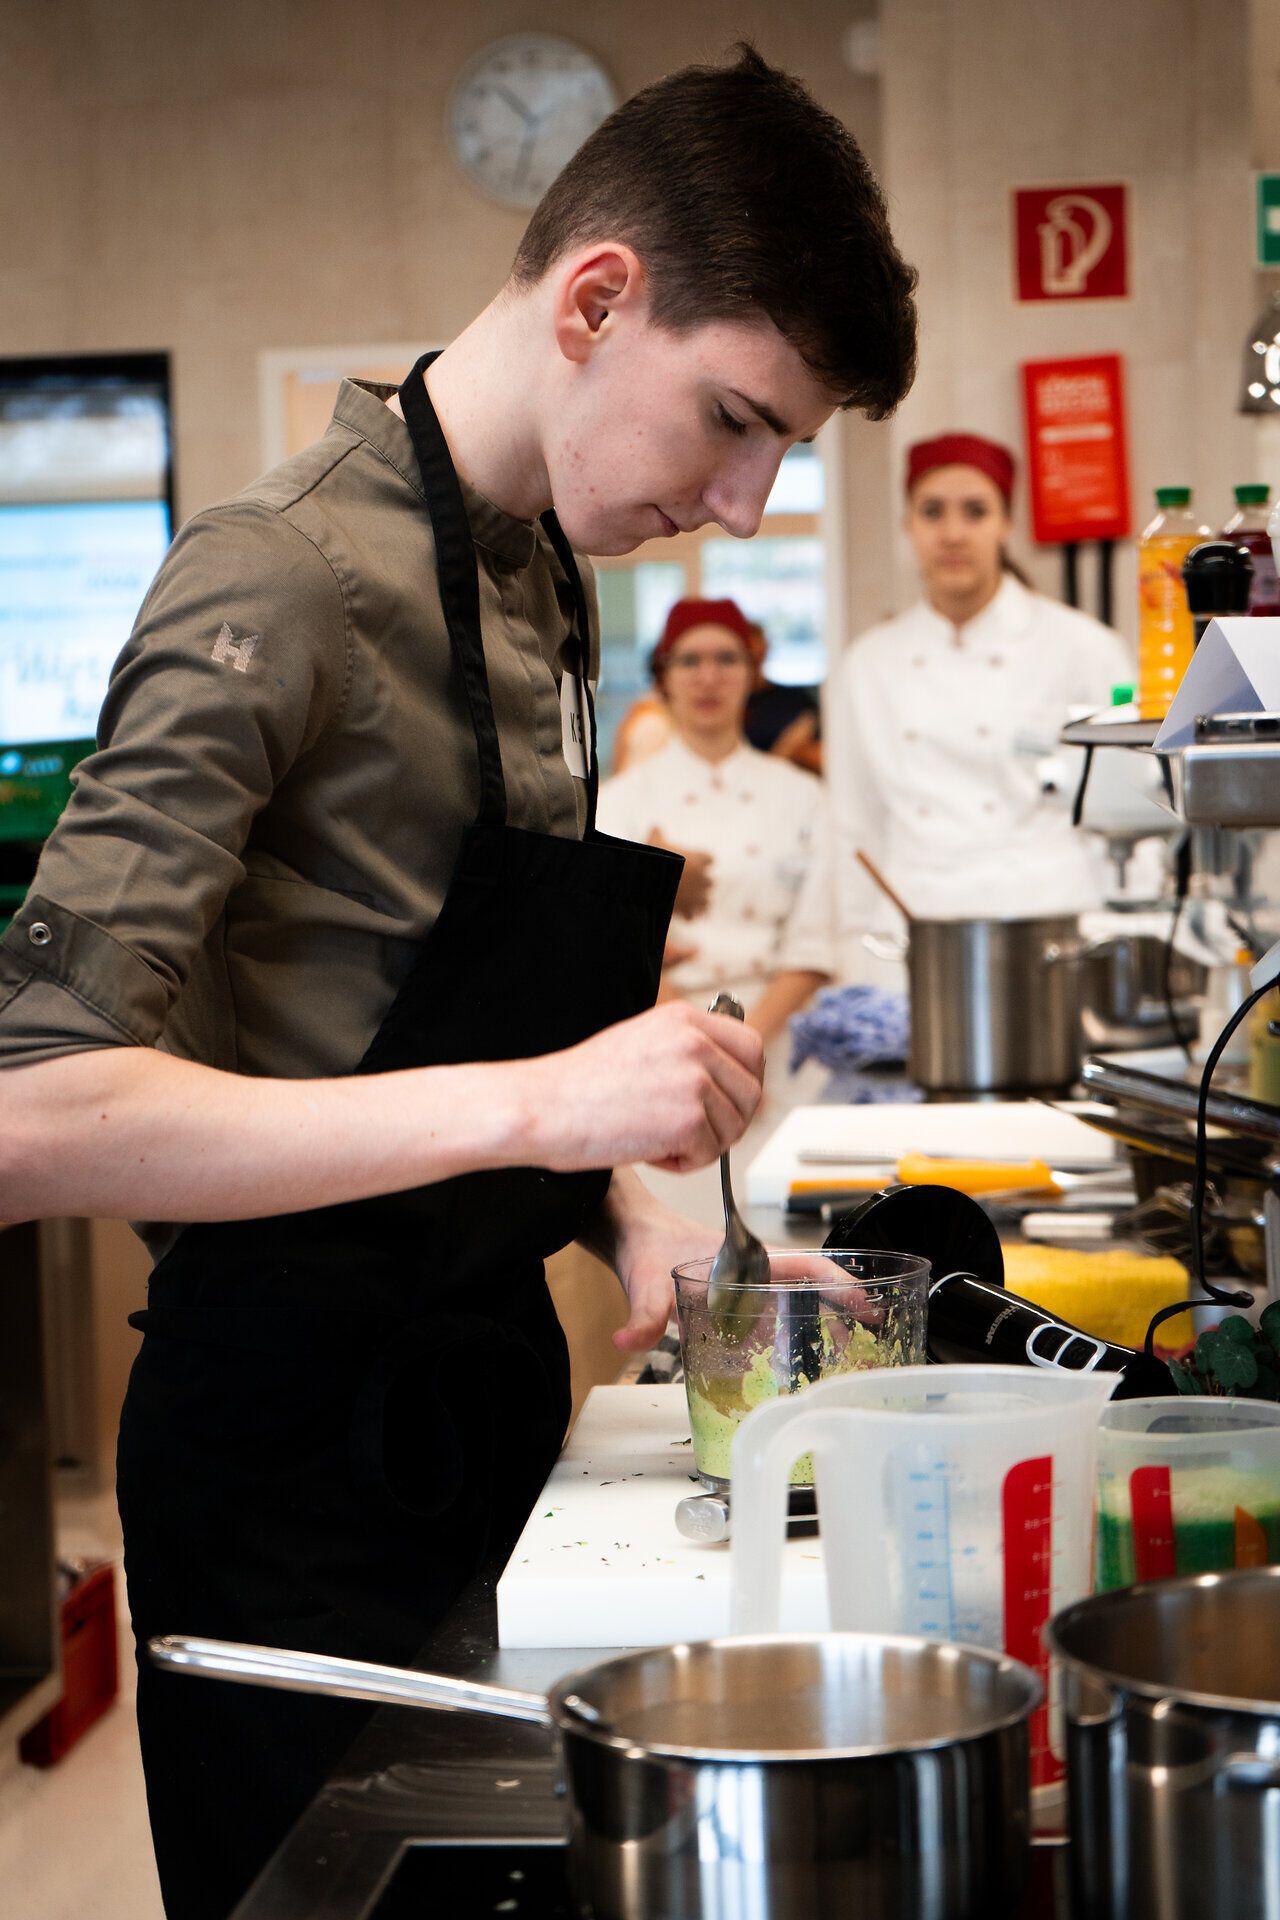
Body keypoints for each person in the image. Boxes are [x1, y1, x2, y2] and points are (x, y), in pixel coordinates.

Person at [0, 46, 917, 1920]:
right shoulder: (274, 579)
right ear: (596, 299)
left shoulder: (542, 578)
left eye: (783, 456)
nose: (745, 507)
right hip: (285, 1471)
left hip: (482, 1407)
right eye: (734, 422)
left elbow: (445, 994)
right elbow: (32, 1115)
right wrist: (554, 1104)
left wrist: (649, 1215)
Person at [831, 431, 1130, 942]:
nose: (952, 533)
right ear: (907, 525)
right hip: (914, 927)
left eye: (975, 511)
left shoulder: (1084, 647)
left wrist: (1128, 928)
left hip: (1050, 919)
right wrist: (856, 944)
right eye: (931, 512)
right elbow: (854, 825)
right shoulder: (867, 665)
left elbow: (1127, 807)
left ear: (1005, 524)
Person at [599, 597, 835, 1051]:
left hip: (780, 1037)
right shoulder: (621, 801)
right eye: (689, 661)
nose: (709, 677)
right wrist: (698, 1045)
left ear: (753, 671)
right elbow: (617, 945)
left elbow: (814, 941)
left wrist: (749, 1042)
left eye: (727, 659)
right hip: (663, 1034)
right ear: (663, 676)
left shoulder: (803, 796)